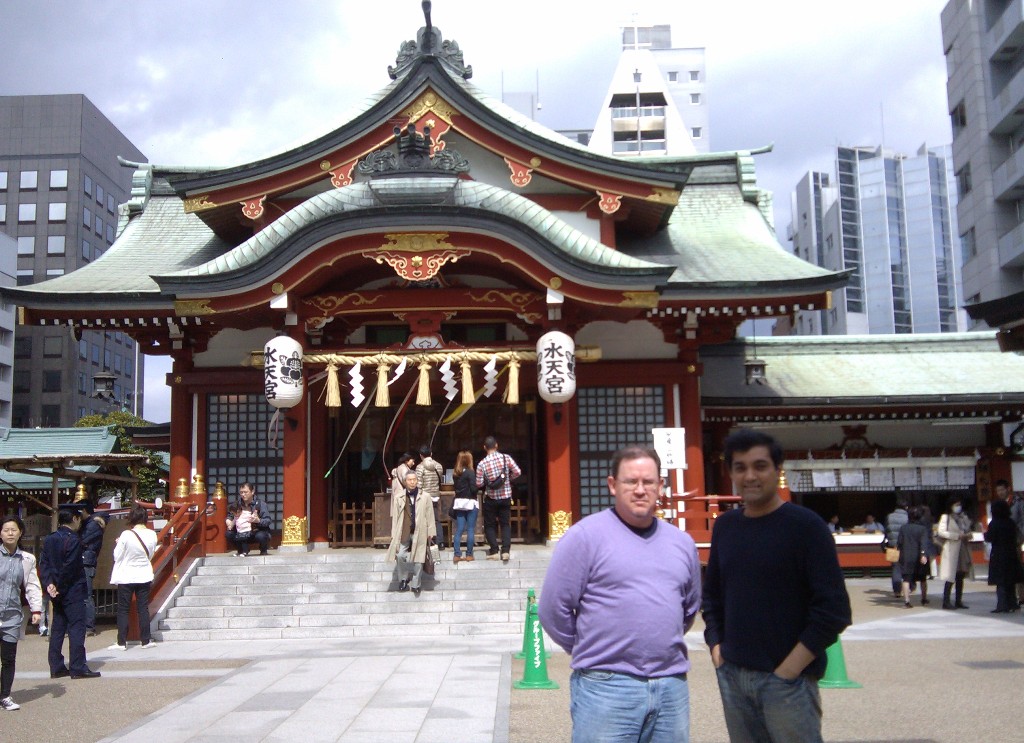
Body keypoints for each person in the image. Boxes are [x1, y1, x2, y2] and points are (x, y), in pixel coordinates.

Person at [539, 446, 701, 743]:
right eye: (630, 482)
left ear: (660, 486)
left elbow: (689, 608)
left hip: (670, 684)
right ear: (613, 485)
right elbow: (553, 609)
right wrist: (590, 647)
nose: (640, 490)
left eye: (649, 482)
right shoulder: (584, 537)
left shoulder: (682, 543)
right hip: (606, 685)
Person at [702, 429, 851, 743]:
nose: (750, 476)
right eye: (740, 467)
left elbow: (833, 610)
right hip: (733, 675)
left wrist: (788, 670)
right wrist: (717, 648)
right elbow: (713, 595)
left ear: (777, 470)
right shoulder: (727, 526)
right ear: (730, 473)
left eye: (760, 466)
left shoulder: (806, 527)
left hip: (787, 682)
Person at [39, 508, 99, 679]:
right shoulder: (73, 540)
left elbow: (44, 563)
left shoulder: (50, 539)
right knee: (76, 627)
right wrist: (60, 586)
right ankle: (77, 666)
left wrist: (49, 584)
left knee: (58, 627)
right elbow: (70, 566)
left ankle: (56, 665)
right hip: (72, 589)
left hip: (55, 590)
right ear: (74, 519)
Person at [1, 516, 43, 711]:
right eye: (6, 530)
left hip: (11, 615)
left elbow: (32, 585)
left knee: (9, 657)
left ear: (20, 533)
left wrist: (36, 609)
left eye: (13, 530)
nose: (10, 533)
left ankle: (5, 695)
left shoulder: (27, 559)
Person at [108, 506, 158, 650]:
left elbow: (117, 556)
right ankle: (146, 640)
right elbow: (151, 555)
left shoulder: (126, 534)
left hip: (126, 575)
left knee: (123, 609)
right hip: (144, 574)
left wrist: (118, 544)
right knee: (143, 608)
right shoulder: (152, 534)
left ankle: (121, 642)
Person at [386, 472, 436, 597]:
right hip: (404, 530)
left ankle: (416, 584)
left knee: (419, 560)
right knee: (400, 555)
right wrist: (394, 534)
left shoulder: (425, 496)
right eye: (409, 480)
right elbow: (395, 517)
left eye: (414, 479)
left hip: (420, 530)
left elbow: (430, 515)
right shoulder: (399, 497)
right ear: (405, 481)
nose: (412, 482)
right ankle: (403, 578)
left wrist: (431, 532)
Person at [475, 436, 522, 562]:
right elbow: (517, 472)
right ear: (496, 445)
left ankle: (494, 551)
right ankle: (505, 551)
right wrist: (507, 479)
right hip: (506, 496)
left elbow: (478, 483)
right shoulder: (506, 458)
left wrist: (488, 482)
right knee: (505, 524)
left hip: (491, 497)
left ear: (484, 448)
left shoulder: (482, 464)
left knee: (490, 525)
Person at [985, 498, 1024, 613]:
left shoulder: (994, 523)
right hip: (1011, 553)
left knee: (1001, 581)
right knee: (1011, 580)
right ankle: (1013, 603)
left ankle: (1002, 605)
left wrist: (985, 534)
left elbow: (989, 537)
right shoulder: (1010, 522)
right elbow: (1018, 536)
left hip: (998, 554)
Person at [936, 497, 973, 610]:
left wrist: (968, 535)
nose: (958, 507)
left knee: (960, 575)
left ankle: (958, 600)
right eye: (956, 504)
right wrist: (956, 536)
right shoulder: (946, 517)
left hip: (962, 548)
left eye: (959, 504)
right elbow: (941, 532)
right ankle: (946, 601)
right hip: (951, 548)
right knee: (950, 576)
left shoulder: (964, 517)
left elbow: (968, 529)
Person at [78, 502, 106, 637]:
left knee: (87, 596)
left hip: (86, 561)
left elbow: (82, 541)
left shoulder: (93, 525)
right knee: (84, 595)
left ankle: (89, 626)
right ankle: (85, 625)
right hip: (85, 561)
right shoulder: (90, 524)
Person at [897, 506, 932, 608]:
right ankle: (924, 599)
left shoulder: (903, 528)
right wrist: (923, 554)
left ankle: (907, 601)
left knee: (906, 579)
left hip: (906, 556)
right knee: (923, 579)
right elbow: (924, 543)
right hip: (919, 557)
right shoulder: (922, 529)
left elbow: (899, 542)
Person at [225, 482, 271, 557]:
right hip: (241, 532)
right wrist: (228, 521)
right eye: (241, 492)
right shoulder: (237, 503)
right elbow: (230, 515)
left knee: (262, 536)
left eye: (245, 492)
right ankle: (241, 550)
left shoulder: (260, 504)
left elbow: (268, 520)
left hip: (255, 532)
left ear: (252, 491)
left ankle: (263, 550)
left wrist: (258, 521)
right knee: (229, 534)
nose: (243, 494)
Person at [450, 449, 479, 563]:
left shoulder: (455, 473)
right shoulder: (470, 472)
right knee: (470, 529)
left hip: (459, 503)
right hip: (470, 502)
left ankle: (457, 554)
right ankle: (469, 554)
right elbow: (473, 489)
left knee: (459, 529)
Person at [416, 445, 446, 550]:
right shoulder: (439, 466)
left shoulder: (420, 467)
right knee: (436, 520)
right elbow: (440, 481)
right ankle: (441, 542)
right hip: (435, 496)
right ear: (431, 454)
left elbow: (419, 485)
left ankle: (429, 542)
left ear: (421, 456)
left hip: (424, 497)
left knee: (425, 521)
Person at [885, 499, 910, 598]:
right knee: (907, 567)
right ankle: (908, 588)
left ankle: (897, 590)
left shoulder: (889, 516)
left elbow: (886, 530)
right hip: (905, 545)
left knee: (895, 568)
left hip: (892, 546)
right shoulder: (907, 517)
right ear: (906, 507)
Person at [390, 452, 417, 520]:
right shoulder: (404, 469)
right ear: (406, 461)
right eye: (412, 461)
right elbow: (406, 481)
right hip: (401, 495)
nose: (413, 463)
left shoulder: (402, 467)